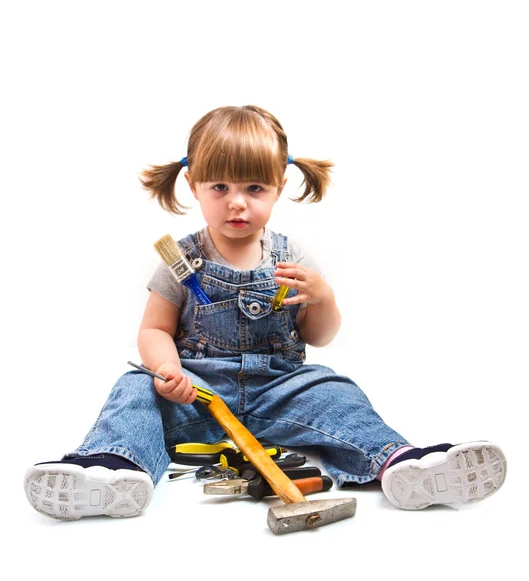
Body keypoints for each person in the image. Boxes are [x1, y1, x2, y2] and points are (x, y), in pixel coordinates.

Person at [24, 105, 506, 520]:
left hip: (278, 386)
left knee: (336, 391)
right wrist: (167, 367)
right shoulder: (181, 258)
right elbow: (153, 328)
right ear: (193, 185)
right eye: (219, 187)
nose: (237, 203)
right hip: (199, 390)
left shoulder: (289, 257)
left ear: (279, 186)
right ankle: (114, 468)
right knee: (133, 390)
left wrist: (323, 299)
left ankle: (400, 463)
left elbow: (320, 335)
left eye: (255, 188)